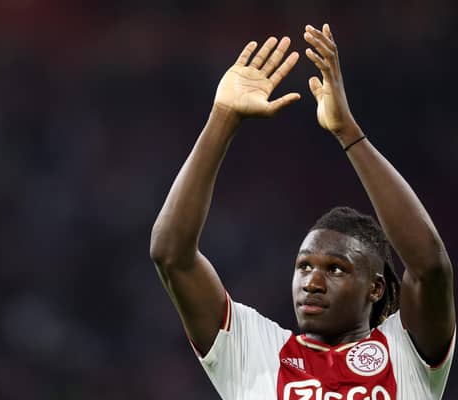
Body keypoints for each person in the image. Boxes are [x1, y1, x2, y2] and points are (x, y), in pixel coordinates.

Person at [149, 23, 455, 399]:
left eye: (335, 269)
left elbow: (431, 267)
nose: (311, 281)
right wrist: (223, 118)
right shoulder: (253, 352)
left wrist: (349, 133)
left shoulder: (407, 352)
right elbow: (171, 255)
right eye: (304, 266)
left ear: (375, 288)